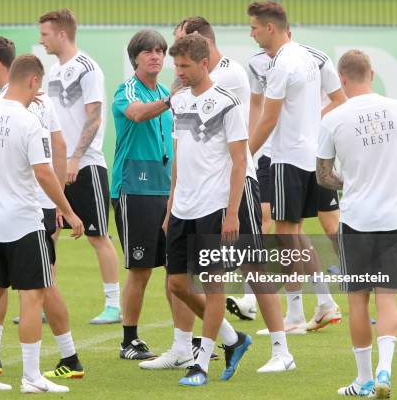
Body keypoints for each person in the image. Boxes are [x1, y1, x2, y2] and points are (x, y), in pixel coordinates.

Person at [0, 36, 85, 380]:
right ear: (35, 81)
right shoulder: (31, 121)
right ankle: (33, 376)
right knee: (35, 295)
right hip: (26, 220)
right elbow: (43, 171)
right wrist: (68, 211)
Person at [317, 50, 397, 398]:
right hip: (393, 219)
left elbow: (324, 175)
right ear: (372, 73)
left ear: (342, 79)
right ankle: (384, 369)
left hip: (357, 221)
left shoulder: (333, 119)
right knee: (387, 299)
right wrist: (387, 187)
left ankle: (363, 380)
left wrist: (351, 182)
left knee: (358, 301)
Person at [234, 24, 346, 331]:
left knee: (288, 230)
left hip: (294, 155)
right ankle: (316, 304)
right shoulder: (258, 62)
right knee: (286, 229)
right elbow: (258, 106)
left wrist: (244, 155)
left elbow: (339, 100)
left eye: (254, 27)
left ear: (277, 28)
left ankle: (304, 308)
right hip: (273, 155)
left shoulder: (315, 58)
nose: (251, 34)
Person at [165, 34, 255, 387]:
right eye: (177, 65)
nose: (180, 72)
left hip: (214, 207)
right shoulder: (179, 102)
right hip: (183, 207)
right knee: (176, 284)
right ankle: (233, 340)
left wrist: (232, 212)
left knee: (212, 285)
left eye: (185, 66)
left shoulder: (227, 104)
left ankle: (200, 364)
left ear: (204, 63)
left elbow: (238, 163)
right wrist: (171, 202)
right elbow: (178, 156)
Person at [39, 9, 122, 324]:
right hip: (58, 167)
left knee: (97, 234)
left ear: (61, 34)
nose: (41, 40)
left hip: (86, 165)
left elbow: (94, 117)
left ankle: (114, 305)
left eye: (45, 34)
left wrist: (75, 158)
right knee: (50, 231)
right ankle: (47, 301)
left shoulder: (87, 68)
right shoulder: (54, 70)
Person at [111, 29, 173, 360]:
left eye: (160, 51)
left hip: (166, 188)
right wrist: (169, 101)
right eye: (148, 51)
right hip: (134, 187)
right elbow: (136, 113)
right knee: (141, 269)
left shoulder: (165, 91)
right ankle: (128, 340)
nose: (155, 56)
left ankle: (184, 339)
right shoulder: (127, 90)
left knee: (176, 268)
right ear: (135, 57)